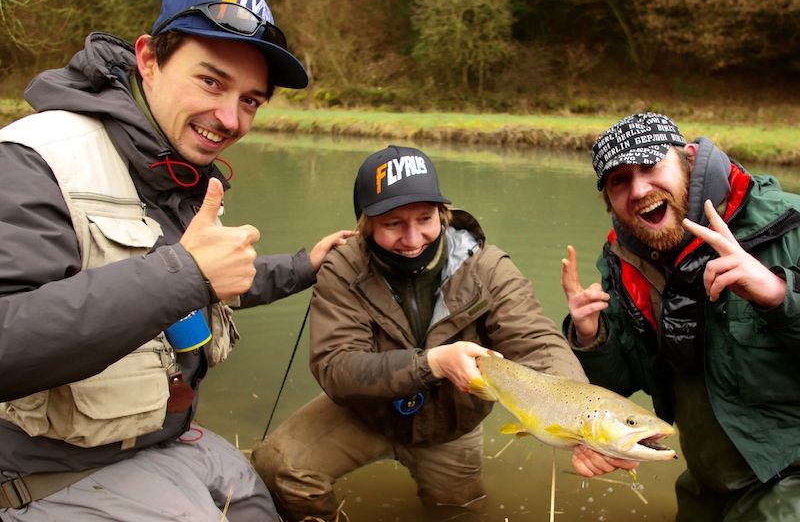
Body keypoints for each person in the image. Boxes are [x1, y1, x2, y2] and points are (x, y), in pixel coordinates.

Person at [0, 0, 353, 521]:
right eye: (212, 82)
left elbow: (214, 279)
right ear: (148, 59)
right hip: (51, 466)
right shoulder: (33, 159)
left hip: (160, 436)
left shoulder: (176, 169)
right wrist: (185, 274)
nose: (231, 120)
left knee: (260, 507)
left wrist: (307, 264)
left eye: (251, 101)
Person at [250, 145, 636, 521]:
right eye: (393, 224)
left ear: (442, 213)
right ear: (365, 224)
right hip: (364, 412)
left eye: (425, 219)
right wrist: (430, 363)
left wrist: (582, 420)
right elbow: (336, 368)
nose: (413, 238)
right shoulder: (341, 268)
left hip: (450, 426)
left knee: (459, 514)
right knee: (278, 469)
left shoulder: (487, 267)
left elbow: (536, 341)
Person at [560, 112, 800, 521]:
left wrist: (778, 293)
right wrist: (591, 336)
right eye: (619, 181)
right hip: (706, 485)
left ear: (688, 158)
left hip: (788, 479)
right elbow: (624, 382)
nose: (638, 190)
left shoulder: (788, 224)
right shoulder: (622, 262)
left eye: (651, 166)